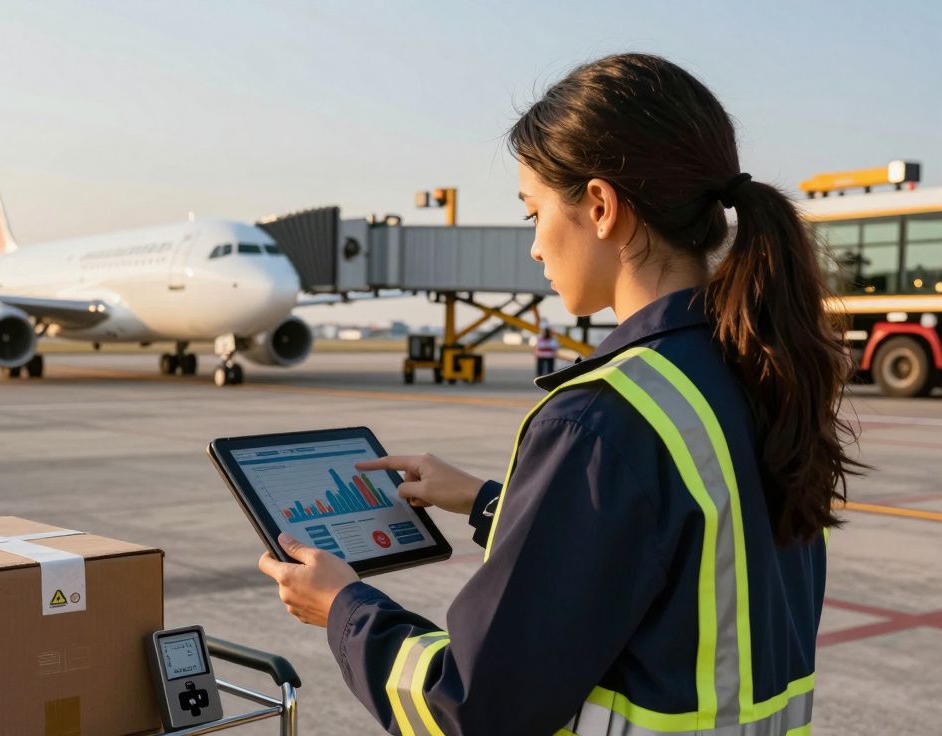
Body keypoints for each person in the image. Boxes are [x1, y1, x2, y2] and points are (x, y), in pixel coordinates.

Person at [257, 53, 861, 735]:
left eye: (533, 211)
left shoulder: (604, 420)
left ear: (600, 207)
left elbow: (474, 706)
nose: (535, 246)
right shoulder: (756, 371)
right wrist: (491, 502)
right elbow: (670, 557)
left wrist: (342, 608)